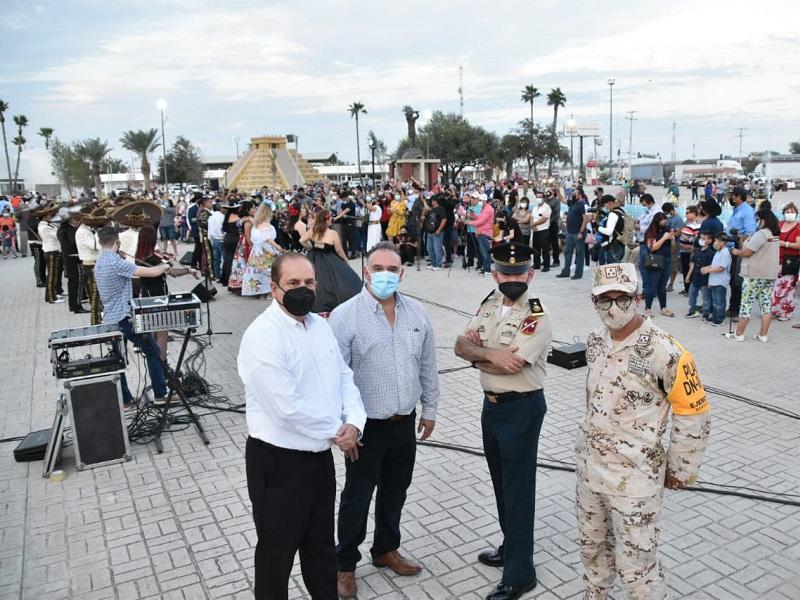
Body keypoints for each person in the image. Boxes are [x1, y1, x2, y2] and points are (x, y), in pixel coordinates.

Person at [237, 253, 367, 600]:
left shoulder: (320, 326)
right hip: (278, 462)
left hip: (319, 459)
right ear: (274, 288)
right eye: (293, 283)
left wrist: (354, 422)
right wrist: (339, 432)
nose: (303, 290)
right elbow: (286, 408)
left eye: (309, 282)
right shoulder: (263, 335)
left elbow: (344, 377)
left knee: (321, 547)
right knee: (276, 554)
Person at [577, 263, 711, 600]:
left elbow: (693, 412)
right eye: (603, 300)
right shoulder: (595, 342)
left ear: (638, 298)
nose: (613, 308)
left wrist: (680, 469)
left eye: (622, 299)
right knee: (593, 553)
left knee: (637, 567)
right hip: (591, 472)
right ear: (593, 302)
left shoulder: (666, 352)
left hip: (634, 480)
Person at [329, 242, 439, 599]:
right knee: (357, 497)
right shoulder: (345, 316)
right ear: (366, 271)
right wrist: (345, 426)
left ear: (401, 273)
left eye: (392, 269)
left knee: (396, 491)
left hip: (404, 422)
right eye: (378, 268)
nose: (385, 275)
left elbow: (427, 364)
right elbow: (335, 378)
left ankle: (386, 549)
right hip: (366, 429)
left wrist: (430, 408)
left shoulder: (417, 312)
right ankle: (345, 564)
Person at [454, 242, 553, 600]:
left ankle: (520, 573)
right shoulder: (489, 304)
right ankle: (511, 546)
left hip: (521, 408)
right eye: (506, 273)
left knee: (518, 490)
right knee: (501, 483)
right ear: (495, 274)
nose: (513, 278)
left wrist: (479, 355)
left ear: (531, 275)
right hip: (492, 407)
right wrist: (489, 355)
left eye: (519, 273)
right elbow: (460, 345)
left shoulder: (537, 315)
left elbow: (512, 365)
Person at [93, 226, 175, 406]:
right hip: (124, 318)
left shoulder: (99, 262)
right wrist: (164, 266)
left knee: (117, 360)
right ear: (118, 242)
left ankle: (125, 399)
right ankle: (161, 394)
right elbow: (151, 272)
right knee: (153, 351)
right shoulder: (116, 263)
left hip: (109, 318)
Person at [725, 209, 781, 343]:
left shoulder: (761, 234)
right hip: (769, 274)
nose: (757, 222)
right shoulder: (774, 235)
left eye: (758, 219)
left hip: (754, 274)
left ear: (763, 220)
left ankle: (739, 334)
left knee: (746, 303)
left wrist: (736, 252)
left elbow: (748, 252)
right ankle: (763, 335)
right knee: (766, 305)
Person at [301, 209, 362, 315]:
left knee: (317, 280)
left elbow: (301, 240)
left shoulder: (312, 230)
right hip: (329, 259)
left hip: (314, 257)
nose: (331, 220)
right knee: (335, 280)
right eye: (330, 218)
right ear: (326, 220)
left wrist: (310, 247)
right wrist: (345, 260)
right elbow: (339, 250)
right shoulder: (332, 233)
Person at [726, 186, 757, 318]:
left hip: (739, 249)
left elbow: (750, 232)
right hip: (731, 248)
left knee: (738, 281)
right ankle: (732, 307)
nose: (731, 198)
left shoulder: (747, 211)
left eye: (733, 195)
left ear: (739, 196)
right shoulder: (736, 209)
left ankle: (737, 310)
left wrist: (739, 240)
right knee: (732, 280)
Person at [242, 204, 283, 297]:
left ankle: (260, 291)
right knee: (270, 271)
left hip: (256, 251)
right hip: (266, 250)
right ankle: (269, 292)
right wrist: (278, 247)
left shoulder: (256, 225)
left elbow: (253, 239)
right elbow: (269, 239)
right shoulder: (267, 226)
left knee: (258, 271)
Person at [642, 213, 675, 318]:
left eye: (665, 220)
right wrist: (664, 238)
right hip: (655, 260)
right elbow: (652, 247)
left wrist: (672, 238)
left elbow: (673, 246)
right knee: (652, 286)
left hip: (667, 259)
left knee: (662, 286)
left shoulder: (667, 229)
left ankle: (663, 308)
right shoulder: (651, 232)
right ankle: (648, 309)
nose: (664, 222)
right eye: (662, 220)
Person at [771, 203, 800, 321]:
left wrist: (785, 244)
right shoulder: (780, 224)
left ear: (796, 214)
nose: (790, 214)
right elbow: (773, 237)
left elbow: (799, 245)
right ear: (783, 214)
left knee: (787, 287)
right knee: (776, 286)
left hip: (790, 261)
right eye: (788, 212)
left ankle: (786, 312)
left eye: (793, 212)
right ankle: (776, 310)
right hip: (777, 260)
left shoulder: (798, 228)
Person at [57, 206, 87, 314]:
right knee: (77, 283)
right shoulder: (69, 230)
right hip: (73, 259)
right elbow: (73, 243)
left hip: (69, 258)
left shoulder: (62, 229)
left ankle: (73, 304)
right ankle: (77, 306)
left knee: (72, 283)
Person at [556, 189, 589, 279]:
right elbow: (562, 199)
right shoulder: (572, 203)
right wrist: (557, 190)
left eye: (575, 193)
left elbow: (585, 219)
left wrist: (581, 232)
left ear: (580, 195)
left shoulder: (582, 204)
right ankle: (566, 271)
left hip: (578, 233)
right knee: (567, 252)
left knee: (579, 253)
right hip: (570, 232)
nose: (573, 195)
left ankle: (578, 273)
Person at [702, 233, 732, 326]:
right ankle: (715, 316)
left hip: (720, 281)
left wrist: (708, 270)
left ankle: (719, 318)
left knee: (719, 301)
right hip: (714, 280)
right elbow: (714, 265)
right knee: (715, 301)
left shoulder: (725, 253)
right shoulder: (718, 252)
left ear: (722, 242)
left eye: (716, 241)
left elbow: (721, 267)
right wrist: (707, 268)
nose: (714, 243)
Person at [228, 201, 255, 293]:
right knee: (245, 264)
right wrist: (252, 247)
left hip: (242, 242)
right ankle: (243, 285)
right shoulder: (248, 221)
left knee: (240, 264)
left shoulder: (243, 219)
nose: (254, 210)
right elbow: (248, 236)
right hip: (246, 244)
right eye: (252, 208)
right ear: (247, 210)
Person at [633, 193, 661, 275]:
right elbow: (642, 218)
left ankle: (647, 282)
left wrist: (639, 227)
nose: (644, 207)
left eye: (645, 205)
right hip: (642, 240)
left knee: (645, 264)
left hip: (648, 241)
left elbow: (651, 227)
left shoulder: (656, 212)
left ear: (650, 203)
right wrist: (637, 221)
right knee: (642, 264)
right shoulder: (649, 210)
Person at [677, 206, 700, 295]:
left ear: (694, 214)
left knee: (689, 270)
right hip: (684, 251)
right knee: (685, 269)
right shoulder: (687, 223)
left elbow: (696, 238)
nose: (686, 215)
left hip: (690, 252)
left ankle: (690, 289)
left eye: (688, 213)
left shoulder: (697, 225)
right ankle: (686, 288)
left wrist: (688, 240)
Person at [597, 195, 626, 264]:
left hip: (613, 247)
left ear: (609, 203)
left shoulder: (612, 214)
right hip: (621, 245)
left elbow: (609, 232)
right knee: (616, 268)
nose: (605, 207)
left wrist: (598, 227)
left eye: (605, 205)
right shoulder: (621, 212)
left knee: (612, 269)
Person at [662, 202, 684, 292]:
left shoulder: (678, 220)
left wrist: (669, 235)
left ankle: (670, 284)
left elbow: (678, 232)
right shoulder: (670, 218)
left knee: (673, 264)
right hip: (667, 244)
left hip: (674, 244)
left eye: (666, 212)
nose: (665, 214)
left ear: (671, 210)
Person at [425, 195, 447, 270]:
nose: (430, 202)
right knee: (429, 248)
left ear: (435, 201)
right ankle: (433, 264)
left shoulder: (441, 209)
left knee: (437, 249)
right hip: (429, 232)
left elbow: (444, 219)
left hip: (437, 232)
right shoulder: (431, 210)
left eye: (431, 201)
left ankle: (439, 265)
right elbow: (425, 216)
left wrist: (439, 229)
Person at [530, 195, 551, 271]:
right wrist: (532, 225)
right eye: (537, 197)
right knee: (535, 248)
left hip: (543, 230)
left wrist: (534, 224)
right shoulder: (535, 208)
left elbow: (544, 219)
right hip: (535, 230)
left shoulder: (546, 207)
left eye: (540, 197)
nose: (538, 199)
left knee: (545, 249)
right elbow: (532, 217)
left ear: (543, 198)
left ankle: (546, 265)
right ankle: (536, 264)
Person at [207, 202, 225, 281]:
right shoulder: (222, 217)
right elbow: (223, 229)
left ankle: (217, 276)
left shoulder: (211, 217)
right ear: (221, 208)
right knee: (225, 259)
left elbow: (209, 230)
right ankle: (224, 276)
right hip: (221, 239)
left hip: (213, 239)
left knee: (216, 259)